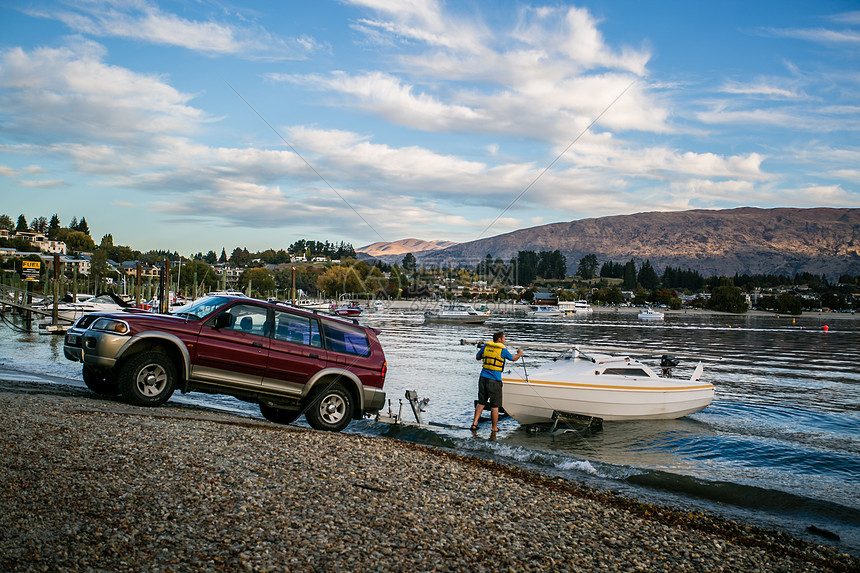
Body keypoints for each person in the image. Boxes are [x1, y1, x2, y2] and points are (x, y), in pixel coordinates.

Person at [471, 331, 522, 433]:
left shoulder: (486, 347)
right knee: (495, 405)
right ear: (499, 339)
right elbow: (513, 358)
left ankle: (474, 424)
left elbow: (477, 357)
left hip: (482, 378)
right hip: (494, 380)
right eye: (504, 338)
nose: (504, 340)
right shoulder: (502, 350)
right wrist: (520, 353)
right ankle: (494, 428)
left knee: (481, 402)